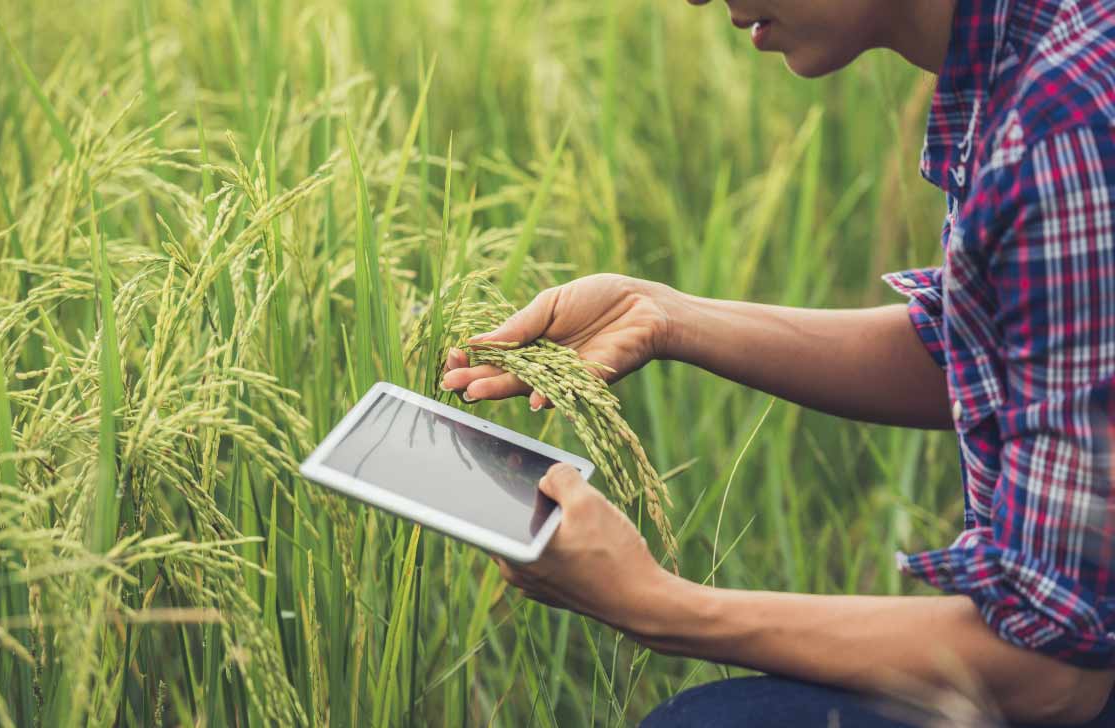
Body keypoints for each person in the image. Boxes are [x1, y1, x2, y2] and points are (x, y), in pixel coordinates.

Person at [440, 0, 1115, 725]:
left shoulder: (1059, 125)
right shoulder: (1035, 54)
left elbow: (1051, 672)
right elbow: (1012, 356)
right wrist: (662, 315)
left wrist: (658, 606)